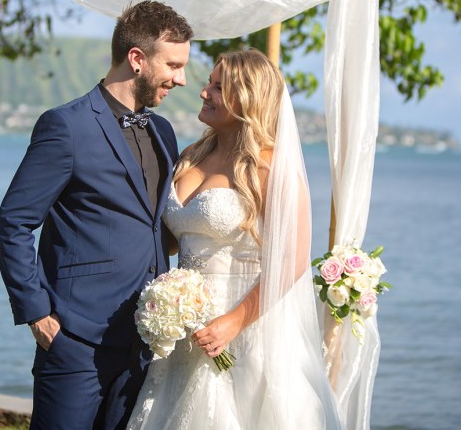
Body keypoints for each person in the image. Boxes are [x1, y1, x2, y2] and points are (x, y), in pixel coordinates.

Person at [0, 0, 193, 430]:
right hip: (74, 342)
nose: (181, 78)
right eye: (174, 65)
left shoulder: (163, 131)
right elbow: (14, 221)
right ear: (137, 60)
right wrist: (36, 312)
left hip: (144, 341)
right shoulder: (65, 126)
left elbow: (154, 224)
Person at [129, 49, 343, 429]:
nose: (203, 93)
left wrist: (233, 322)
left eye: (217, 87)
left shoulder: (269, 168)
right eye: (208, 84)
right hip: (183, 326)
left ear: (246, 97)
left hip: (242, 329)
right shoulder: (191, 157)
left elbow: (291, 260)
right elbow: (174, 238)